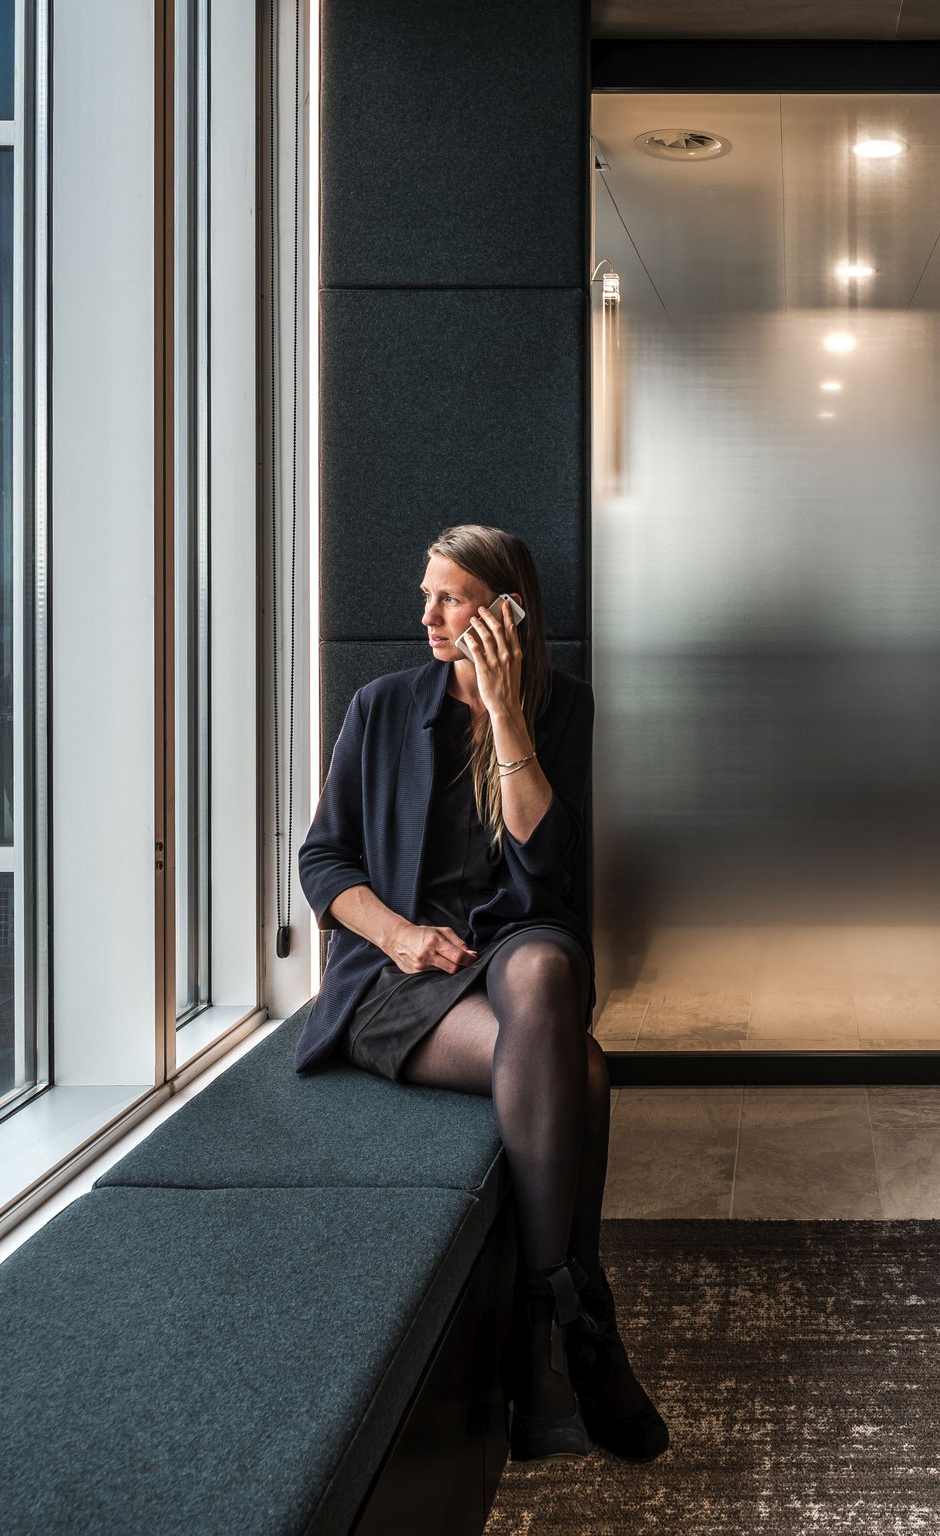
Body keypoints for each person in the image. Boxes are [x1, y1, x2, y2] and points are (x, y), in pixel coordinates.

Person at [295, 523, 666, 1464]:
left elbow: (547, 871)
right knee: (576, 1070)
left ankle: (541, 1328)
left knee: (545, 969)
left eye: (451, 598)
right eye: (427, 593)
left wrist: (506, 714)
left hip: (515, 944)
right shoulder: (380, 707)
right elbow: (323, 858)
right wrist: (400, 933)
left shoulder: (562, 709)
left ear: (506, 612)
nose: (426, 616)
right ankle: (575, 1316)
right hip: (404, 975)